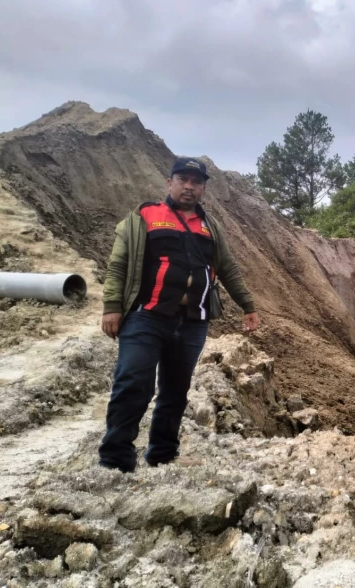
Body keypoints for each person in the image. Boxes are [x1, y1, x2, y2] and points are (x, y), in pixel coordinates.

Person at [98, 156, 259, 472]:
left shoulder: (210, 226)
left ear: (202, 189)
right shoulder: (144, 216)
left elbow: (228, 268)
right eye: (183, 180)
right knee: (132, 383)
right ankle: (115, 459)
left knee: (175, 390)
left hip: (193, 322)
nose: (189, 186)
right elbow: (118, 264)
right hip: (147, 316)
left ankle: (162, 454)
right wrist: (112, 307)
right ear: (169, 183)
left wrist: (248, 305)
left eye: (196, 182)